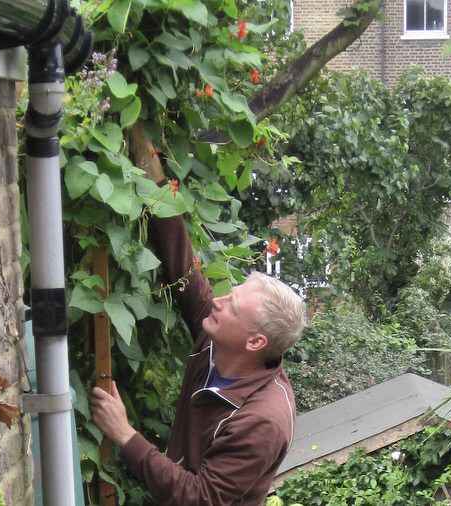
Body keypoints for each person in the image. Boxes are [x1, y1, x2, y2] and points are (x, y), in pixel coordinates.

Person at [89, 125, 307, 505]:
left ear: (255, 341)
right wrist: (155, 181)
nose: (220, 301)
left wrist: (125, 435)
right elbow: (187, 277)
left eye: (233, 305)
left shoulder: (263, 420)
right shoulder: (222, 339)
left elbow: (199, 498)